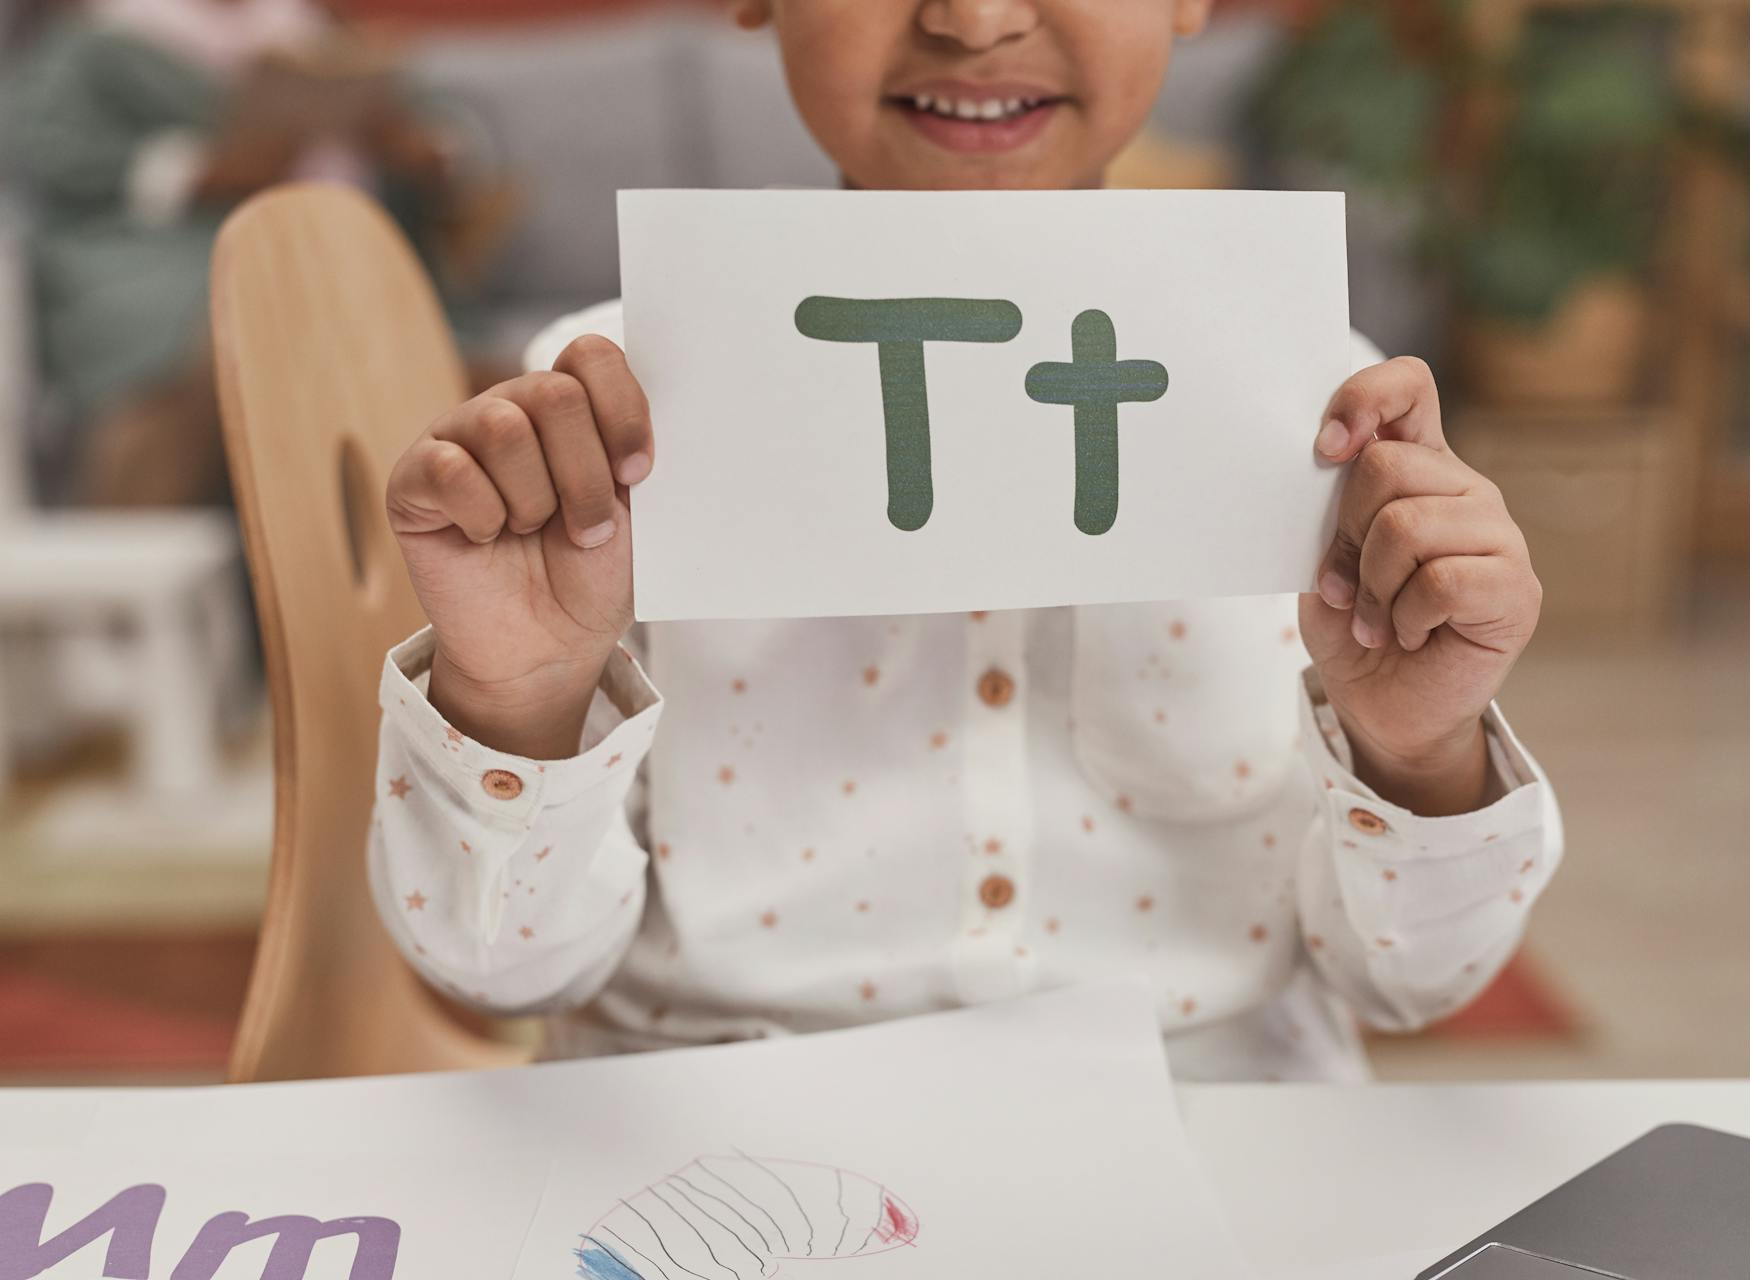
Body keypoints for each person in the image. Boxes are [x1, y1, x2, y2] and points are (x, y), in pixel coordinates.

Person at [369, 0, 1559, 1082]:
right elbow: (498, 971)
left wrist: (1419, 750)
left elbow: (1408, 982)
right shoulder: (609, 416)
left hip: (1214, 1116)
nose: (976, 19)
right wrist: (518, 700)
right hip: (710, 1111)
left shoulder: (1313, 402)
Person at [2, 0, 462, 505]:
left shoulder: (318, 31)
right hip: (157, 251)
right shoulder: (103, 35)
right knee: (219, 340)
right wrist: (200, 172)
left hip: (332, 242)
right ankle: (138, 552)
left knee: (372, 343)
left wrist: (412, 146)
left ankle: (377, 544)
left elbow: (443, 137)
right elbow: (51, 148)